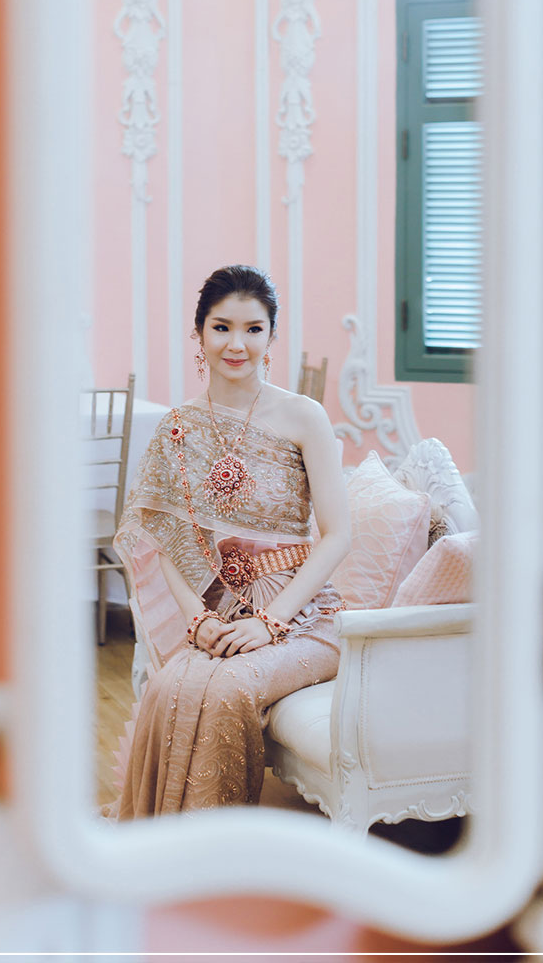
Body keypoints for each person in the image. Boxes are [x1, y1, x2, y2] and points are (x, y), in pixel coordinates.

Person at [110, 264, 351, 817]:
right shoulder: (178, 427)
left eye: (253, 329)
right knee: (167, 688)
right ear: (199, 333)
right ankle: (167, 845)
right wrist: (198, 619)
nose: (236, 344)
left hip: (305, 616)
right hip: (221, 615)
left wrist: (271, 622)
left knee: (225, 690)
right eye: (221, 328)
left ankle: (221, 850)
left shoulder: (304, 416)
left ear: (271, 335)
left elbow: (338, 536)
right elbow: (165, 539)